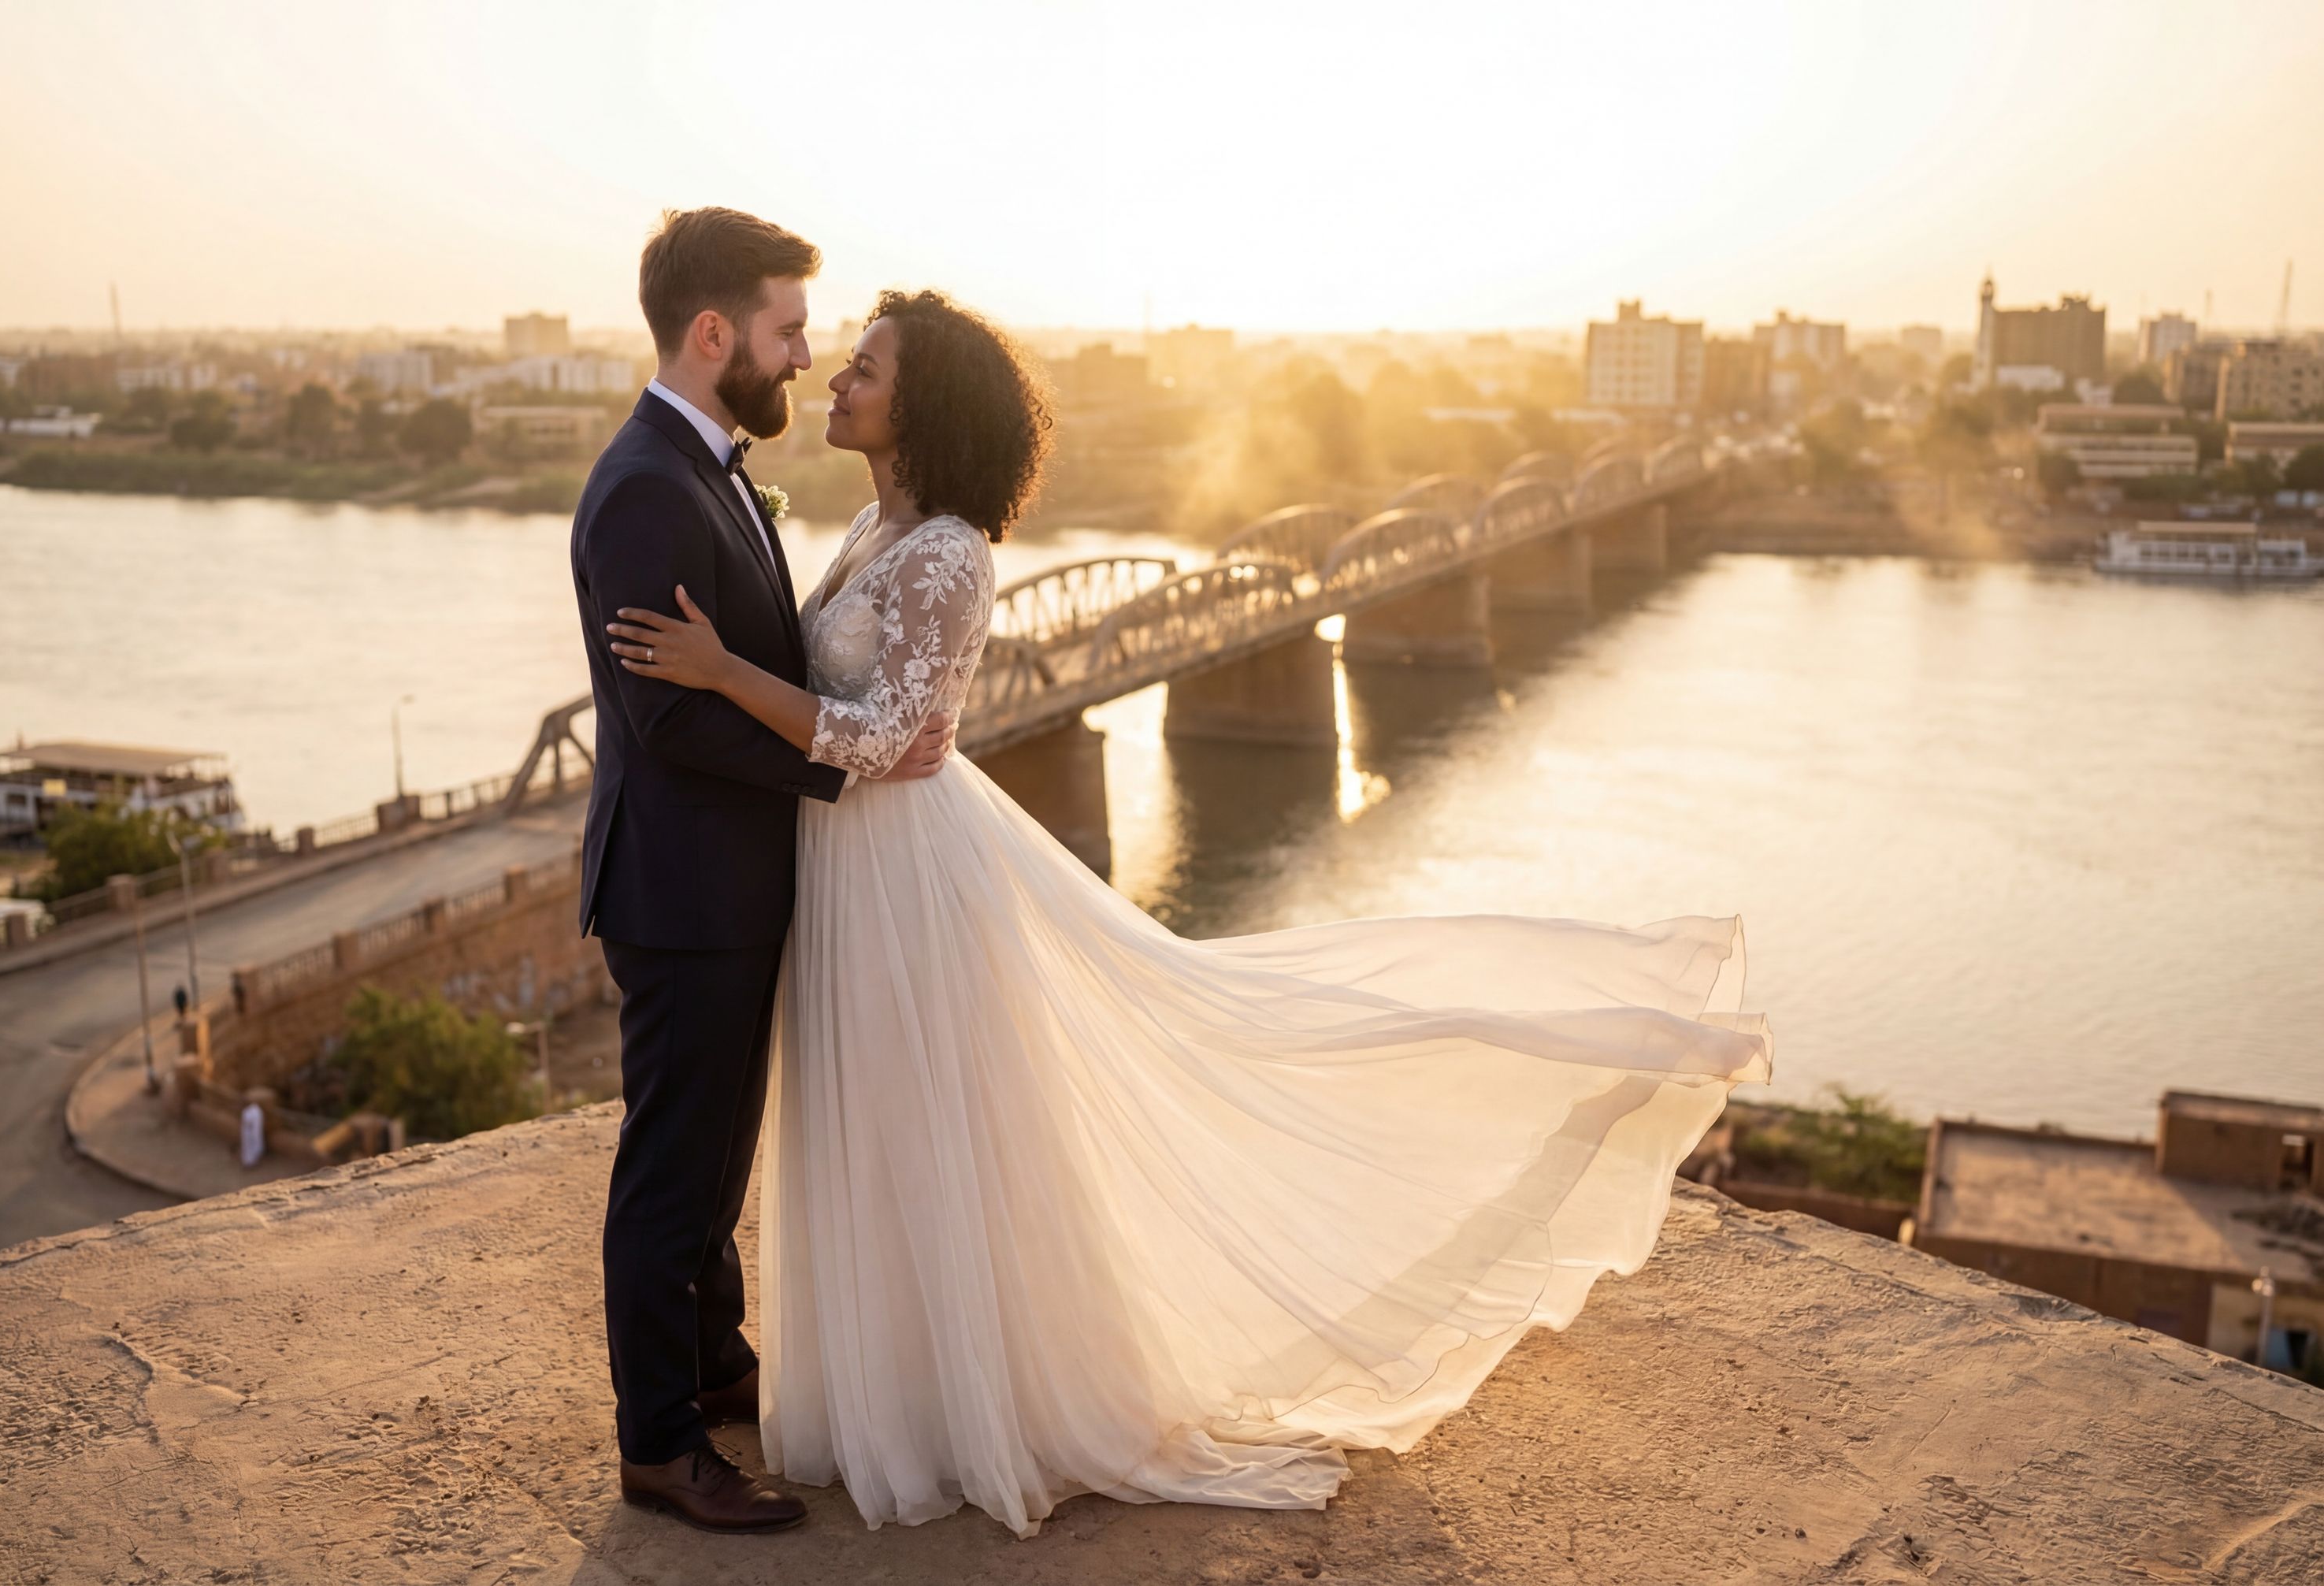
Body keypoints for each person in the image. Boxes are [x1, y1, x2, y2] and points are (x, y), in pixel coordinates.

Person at [607, 280, 1775, 1539]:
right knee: (878, 1122)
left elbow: (894, 738)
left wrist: (723, 673)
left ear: (924, 405)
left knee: (936, 1121)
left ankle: (973, 1396)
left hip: (902, 867)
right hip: (847, 869)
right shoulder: (872, 528)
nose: (835, 377)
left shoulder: (949, 550)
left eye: (866, 368)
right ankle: (896, 1382)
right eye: (838, 359)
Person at [569, 209, 955, 1535]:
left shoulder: (714, 467)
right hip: (682, 896)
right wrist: (842, 768)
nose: (804, 359)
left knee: (718, 1156)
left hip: (731, 888)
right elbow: (672, 716)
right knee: (673, 1169)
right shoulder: (643, 490)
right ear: (716, 332)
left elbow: (758, 665)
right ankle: (661, 1444)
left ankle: (716, 1363)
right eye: (789, 332)